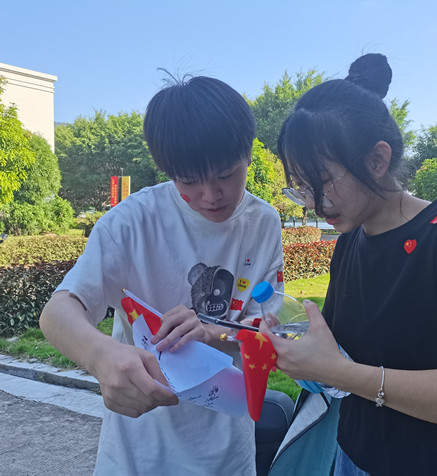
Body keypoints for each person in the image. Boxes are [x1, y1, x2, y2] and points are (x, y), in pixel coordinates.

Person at [264, 53, 437, 475]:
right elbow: (342, 356)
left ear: (377, 160)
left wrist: (345, 374)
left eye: (323, 182)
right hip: (351, 457)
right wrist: (299, 349)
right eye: (301, 187)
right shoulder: (350, 241)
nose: (313, 203)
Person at [40, 75, 284, 475]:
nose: (210, 195)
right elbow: (58, 312)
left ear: (248, 154)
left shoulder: (263, 223)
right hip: (138, 455)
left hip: (229, 453)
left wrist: (210, 332)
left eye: (226, 174)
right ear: (165, 168)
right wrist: (100, 356)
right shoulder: (130, 223)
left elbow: (268, 331)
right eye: (189, 180)